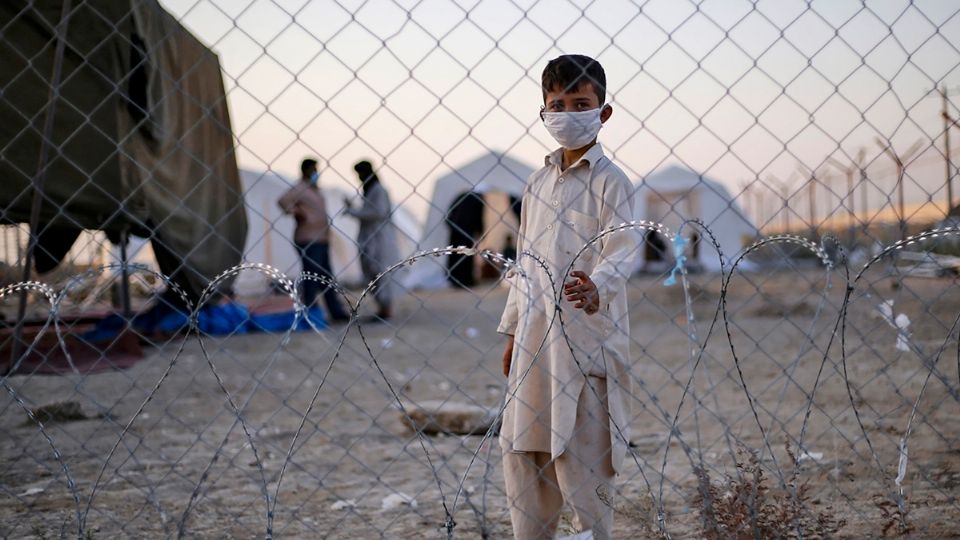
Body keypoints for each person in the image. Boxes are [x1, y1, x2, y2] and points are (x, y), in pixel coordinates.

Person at [497, 54, 636, 540]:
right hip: (535, 342)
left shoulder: (610, 182)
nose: (568, 112)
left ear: (603, 112)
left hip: (585, 340)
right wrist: (513, 330)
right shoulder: (536, 184)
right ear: (543, 112)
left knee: (583, 454)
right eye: (557, 103)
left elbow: (623, 246)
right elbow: (525, 263)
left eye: (581, 103)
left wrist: (599, 284)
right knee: (524, 450)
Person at [277, 158, 350, 322]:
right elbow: (283, 201)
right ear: (306, 171)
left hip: (321, 237)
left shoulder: (315, 189)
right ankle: (308, 312)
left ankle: (335, 311)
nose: (316, 173)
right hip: (308, 238)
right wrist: (297, 212)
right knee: (312, 276)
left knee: (325, 277)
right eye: (313, 170)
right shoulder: (300, 188)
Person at [344, 160, 399, 321]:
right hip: (370, 237)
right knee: (372, 272)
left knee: (381, 272)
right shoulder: (370, 190)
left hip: (379, 238)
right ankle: (382, 308)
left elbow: (378, 212)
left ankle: (386, 309)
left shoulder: (378, 190)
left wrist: (354, 212)